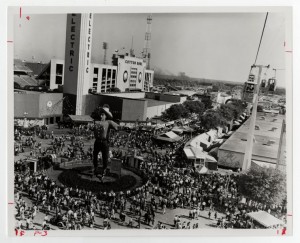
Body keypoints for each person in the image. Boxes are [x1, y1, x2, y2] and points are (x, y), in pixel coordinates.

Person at [92, 104, 119, 177]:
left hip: (104, 142)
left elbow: (117, 126)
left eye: (103, 115)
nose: (101, 116)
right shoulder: (96, 122)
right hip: (97, 141)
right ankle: (95, 168)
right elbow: (92, 128)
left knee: (105, 157)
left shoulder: (109, 122)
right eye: (100, 114)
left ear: (106, 116)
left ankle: (104, 170)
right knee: (95, 155)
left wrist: (124, 127)